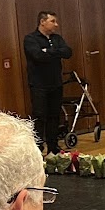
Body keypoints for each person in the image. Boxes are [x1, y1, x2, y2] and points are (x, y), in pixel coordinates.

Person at [23, 10, 72, 153]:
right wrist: (55, 52)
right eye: (53, 21)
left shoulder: (57, 38)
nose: (56, 25)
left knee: (54, 116)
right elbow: (38, 56)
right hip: (39, 84)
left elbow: (68, 52)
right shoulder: (30, 39)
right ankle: (37, 147)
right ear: (42, 22)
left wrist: (48, 51)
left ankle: (53, 146)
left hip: (56, 83)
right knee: (39, 116)